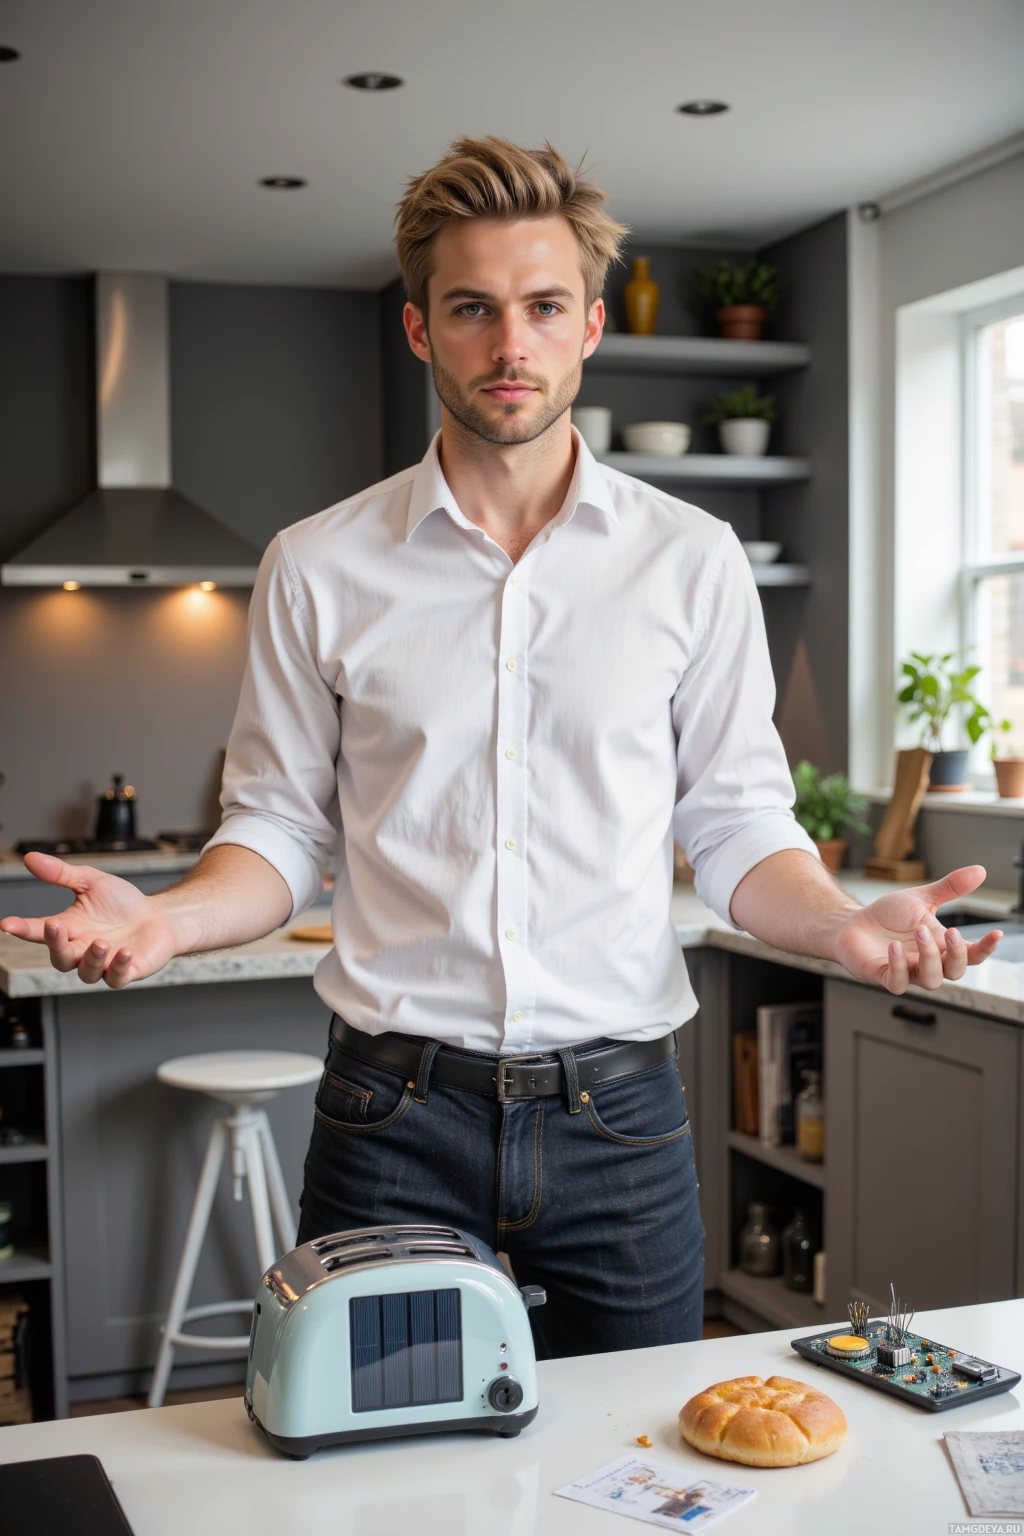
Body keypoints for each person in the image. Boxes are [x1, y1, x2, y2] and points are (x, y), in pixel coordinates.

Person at [1, 137, 1002, 1359]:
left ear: (589, 324)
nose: (508, 344)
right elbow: (278, 828)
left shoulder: (689, 560)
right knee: (386, 1470)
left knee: (636, 1465)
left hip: (621, 1116)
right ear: (422, 330)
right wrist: (169, 917)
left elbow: (738, 823)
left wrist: (838, 923)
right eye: (471, 308)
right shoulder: (317, 564)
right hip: (389, 1116)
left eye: (540, 308)